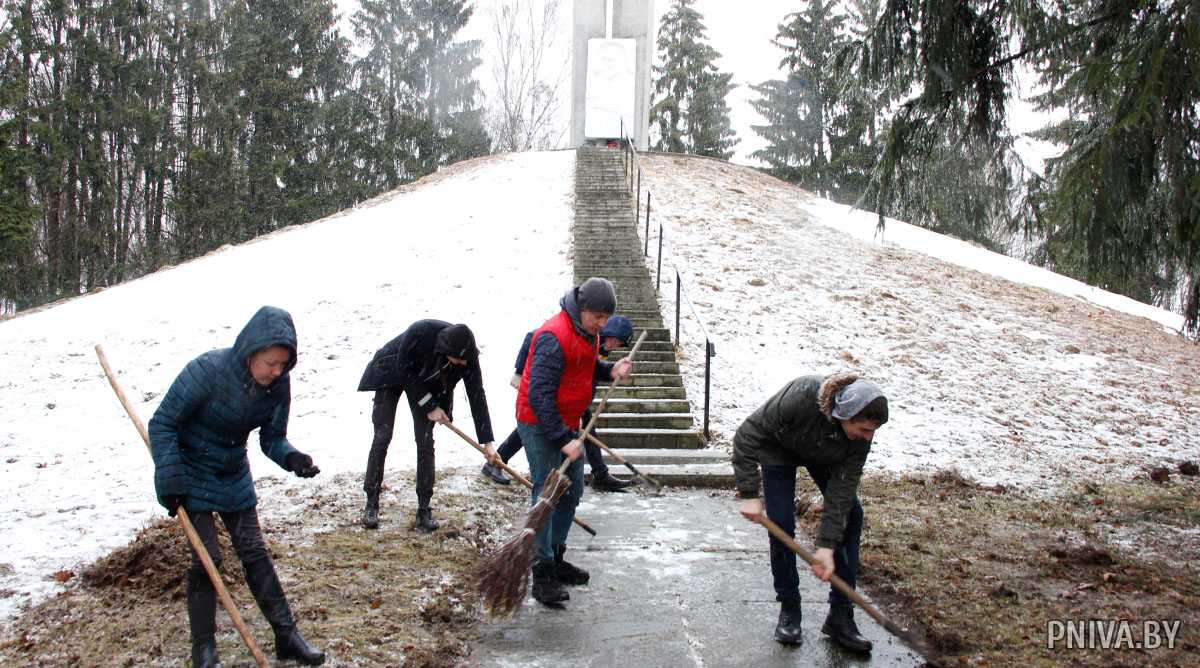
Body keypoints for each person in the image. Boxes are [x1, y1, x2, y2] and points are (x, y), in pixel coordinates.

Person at [149, 305, 325, 668]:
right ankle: (204, 648)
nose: (277, 371)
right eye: (271, 363)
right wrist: (170, 479)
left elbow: (272, 439)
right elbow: (162, 423)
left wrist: (294, 459)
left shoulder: (278, 384)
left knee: (254, 552)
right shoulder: (207, 371)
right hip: (191, 469)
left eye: (283, 364)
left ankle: (286, 635)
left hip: (232, 471)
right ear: (251, 351)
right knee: (207, 557)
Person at [733, 373, 889, 653]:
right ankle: (790, 607)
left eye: (872, 431)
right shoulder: (800, 395)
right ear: (845, 414)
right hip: (779, 447)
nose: (868, 437)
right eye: (864, 430)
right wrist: (748, 494)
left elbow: (841, 493)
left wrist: (827, 545)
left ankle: (841, 615)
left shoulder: (859, 439)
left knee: (852, 515)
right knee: (780, 522)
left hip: (825, 453)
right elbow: (747, 436)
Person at [516, 277, 632, 605]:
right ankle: (541, 572)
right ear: (581, 309)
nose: (603, 323)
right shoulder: (554, 336)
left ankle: (555, 554)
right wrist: (562, 437)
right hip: (539, 423)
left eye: (607, 318)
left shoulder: (589, 334)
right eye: (598, 316)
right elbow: (538, 394)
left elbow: (586, 366)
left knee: (571, 492)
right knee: (547, 493)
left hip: (567, 423)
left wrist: (610, 370)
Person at [358, 320, 496, 531]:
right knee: (383, 436)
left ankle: (424, 508)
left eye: (465, 360)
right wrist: (430, 406)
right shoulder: (421, 332)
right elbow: (404, 370)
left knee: (425, 441)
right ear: (447, 351)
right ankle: (371, 503)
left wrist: (488, 443)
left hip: (423, 379)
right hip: (393, 370)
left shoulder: (466, 355)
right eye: (459, 359)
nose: (463, 364)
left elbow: (477, 394)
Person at [481, 314, 635, 491]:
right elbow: (533, 336)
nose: (616, 347)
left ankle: (600, 473)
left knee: (585, 425)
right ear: (611, 332)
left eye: (620, 345)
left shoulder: (599, 346)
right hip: (552, 392)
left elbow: (591, 374)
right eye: (617, 341)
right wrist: (519, 371)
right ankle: (497, 461)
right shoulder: (578, 335)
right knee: (534, 426)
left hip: (574, 401)